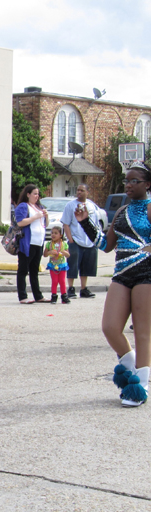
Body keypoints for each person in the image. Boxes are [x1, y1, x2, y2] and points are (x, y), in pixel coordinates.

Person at [75, 161, 151, 407]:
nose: (128, 185)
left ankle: (140, 385)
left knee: (142, 333)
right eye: (126, 180)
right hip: (121, 274)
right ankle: (128, 365)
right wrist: (86, 222)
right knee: (109, 327)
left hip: (146, 274)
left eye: (134, 181)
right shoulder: (120, 212)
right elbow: (106, 246)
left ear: (147, 185)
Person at [61, 184, 99, 299]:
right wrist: (70, 240)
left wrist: (95, 239)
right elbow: (66, 223)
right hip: (75, 241)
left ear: (88, 192)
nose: (79, 192)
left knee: (86, 266)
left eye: (82, 190)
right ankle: (71, 289)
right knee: (72, 265)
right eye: (78, 190)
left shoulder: (92, 206)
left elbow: (96, 223)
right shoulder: (70, 205)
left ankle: (83, 289)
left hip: (89, 241)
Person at [14, 184, 50, 304]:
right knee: (23, 270)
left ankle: (38, 295)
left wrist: (46, 216)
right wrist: (35, 217)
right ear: (28, 194)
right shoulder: (24, 206)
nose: (37, 196)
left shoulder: (39, 207)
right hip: (27, 243)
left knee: (34, 270)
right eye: (34, 193)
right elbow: (20, 222)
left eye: (38, 194)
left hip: (38, 243)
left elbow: (46, 224)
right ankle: (22, 296)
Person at [43, 225, 70, 304]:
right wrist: (49, 252)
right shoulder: (49, 244)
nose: (53, 235)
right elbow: (44, 254)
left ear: (61, 235)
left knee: (62, 281)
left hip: (62, 265)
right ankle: (54, 296)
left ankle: (64, 296)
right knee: (54, 281)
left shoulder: (64, 244)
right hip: (53, 266)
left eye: (56, 233)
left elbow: (68, 255)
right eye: (52, 233)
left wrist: (65, 253)